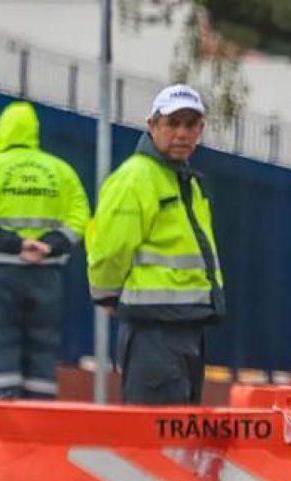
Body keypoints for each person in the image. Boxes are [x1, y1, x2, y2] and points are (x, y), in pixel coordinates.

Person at [87, 84, 225, 405]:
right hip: (154, 333)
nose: (181, 133)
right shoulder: (136, 178)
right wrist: (106, 295)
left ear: (200, 130)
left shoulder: (184, 181)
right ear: (152, 125)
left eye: (190, 125)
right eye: (172, 123)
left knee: (178, 441)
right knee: (155, 440)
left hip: (187, 329)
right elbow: (110, 248)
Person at [0, 101, 90, 399]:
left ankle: (4, 410)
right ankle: (39, 411)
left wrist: (14, 244)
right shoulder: (61, 171)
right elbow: (80, 215)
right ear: (35, 132)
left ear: (1, 131)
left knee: (0, 340)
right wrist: (51, 244)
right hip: (47, 273)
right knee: (42, 343)